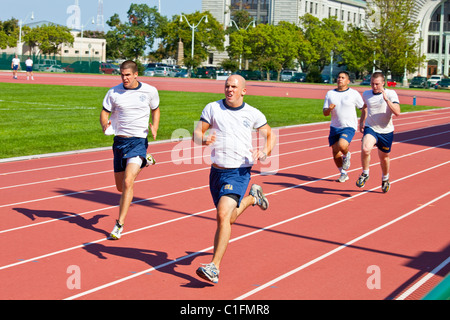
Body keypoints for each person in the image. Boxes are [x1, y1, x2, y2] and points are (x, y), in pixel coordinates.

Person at [193, 74, 276, 284]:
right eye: (227, 86)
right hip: (216, 172)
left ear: (243, 91)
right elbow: (196, 133)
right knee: (228, 219)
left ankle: (214, 267)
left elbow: (270, 134)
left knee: (222, 215)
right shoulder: (212, 108)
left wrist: (265, 151)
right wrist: (203, 139)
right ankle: (252, 199)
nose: (229, 90)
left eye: (234, 87)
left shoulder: (253, 113)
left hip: (239, 171)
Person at [100, 60, 160, 240]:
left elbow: (156, 110)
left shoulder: (150, 91)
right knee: (120, 188)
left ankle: (119, 224)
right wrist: (105, 123)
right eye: (122, 75)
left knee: (128, 182)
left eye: (128, 75)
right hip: (119, 142)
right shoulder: (113, 92)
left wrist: (155, 126)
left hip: (138, 141)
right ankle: (145, 161)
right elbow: (104, 112)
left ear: (135, 74)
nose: (124, 78)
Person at [356, 71, 401, 193]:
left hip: (386, 131)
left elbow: (397, 112)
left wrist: (387, 100)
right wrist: (361, 121)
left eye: (377, 84)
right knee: (365, 149)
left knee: (384, 158)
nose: (374, 87)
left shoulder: (391, 94)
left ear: (383, 83)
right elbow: (365, 107)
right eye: (372, 84)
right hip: (371, 128)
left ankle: (385, 178)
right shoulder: (366, 94)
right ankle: (365, 173)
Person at [323, 71, 364, 182]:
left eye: (343, 77)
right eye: (338, 77)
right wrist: (329, 109)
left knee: (342, 145)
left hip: (349, 126)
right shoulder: (330, 93)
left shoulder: (354, 93)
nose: (340, 79)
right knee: (335, 152)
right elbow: (325, 113)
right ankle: (343, 173)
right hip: (335, 126)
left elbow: (363, 108)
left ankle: (347, 155)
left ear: (348, 81)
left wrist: (363, 122)